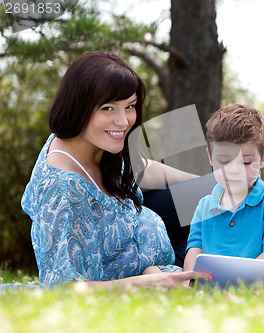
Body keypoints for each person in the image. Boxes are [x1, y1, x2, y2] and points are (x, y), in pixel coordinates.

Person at [21, 51, 210, 289]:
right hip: (152, 267)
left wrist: (205, 183)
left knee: (227, 192)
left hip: (144, 229)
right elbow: (63, 288)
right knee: (232, 225)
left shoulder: (93, 142)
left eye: (129, 106)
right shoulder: (63, 189)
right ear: (79, 106)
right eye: (108, 108)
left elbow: (143, 171)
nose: (123, 121)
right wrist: (146, 282)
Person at [181, 104, 264, 272]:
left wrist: (238, 279)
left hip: (260, 287)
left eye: (245, 162)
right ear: (210, 157)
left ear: (263, 158)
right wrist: (191, 281)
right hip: (212, 286)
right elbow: (194, 251)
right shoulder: (204, 206)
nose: (234, 171)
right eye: (224, 161)